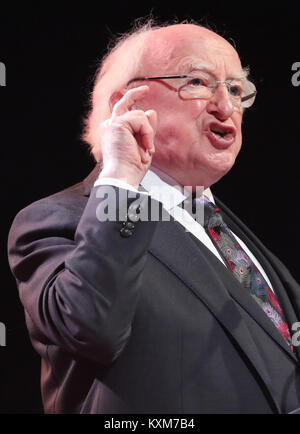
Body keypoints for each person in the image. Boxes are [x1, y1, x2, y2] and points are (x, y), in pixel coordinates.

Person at [7, 19, 300, 414]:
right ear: (125, 105)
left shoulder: (229, 230)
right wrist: (122, 178)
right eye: (197, 82)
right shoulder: (59, 219)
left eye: (235, 89)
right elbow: (91, 327)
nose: (226, 105)